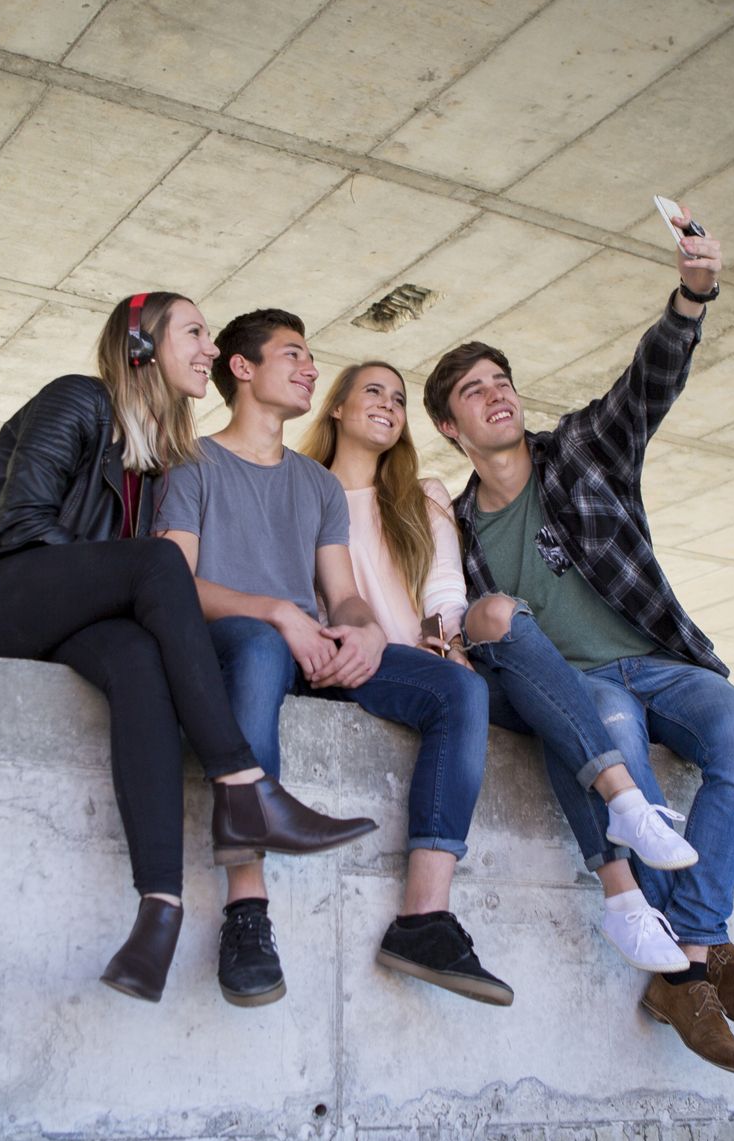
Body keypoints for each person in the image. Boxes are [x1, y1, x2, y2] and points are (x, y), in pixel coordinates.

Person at [0, 292, 375, 1006]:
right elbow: (23, 526)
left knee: (139, 664)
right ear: (140, 345)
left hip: (65, 616)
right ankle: (243, 787)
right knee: (163, 566)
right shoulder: (77, 401)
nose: (205, 349)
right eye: (192, 333)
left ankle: (156, 914)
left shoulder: (157, 460)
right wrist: (137, 581)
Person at [423, 214, 734, 1077]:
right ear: (448, 428)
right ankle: (695, 960)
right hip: (582, 686)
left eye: (501, 378)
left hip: (660, 658)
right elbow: (450, 615)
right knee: (614, 745)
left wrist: (692, 296)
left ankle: (689, 950)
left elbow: (646, 383)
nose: (496, 392)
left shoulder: (582, 451)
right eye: (473, 389)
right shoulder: (458, 533)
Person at [299, 361, 700, 981]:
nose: (387, 404)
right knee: (555, 700)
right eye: (372, 392)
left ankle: (624, 890)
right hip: (371, 667)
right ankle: (626, 840)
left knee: (523, 651)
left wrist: (449, 643)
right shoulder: (303, 491)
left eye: (398, 398)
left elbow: (444, 594)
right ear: (335, 409)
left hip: (441, 661)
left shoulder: (423, 495)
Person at [157, 311, 508, 1009]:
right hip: (242, 639)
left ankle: (424, 918)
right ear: (243, 369)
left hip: (309, 647)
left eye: (312, 357)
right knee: (260, 649)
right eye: (294, 355)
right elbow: (173, 584)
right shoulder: (191, 463)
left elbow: (343, 596)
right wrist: (279, 612)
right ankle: (246, 912)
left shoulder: (315, 487)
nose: (310, 368)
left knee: (457, 693)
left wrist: (365, 633)